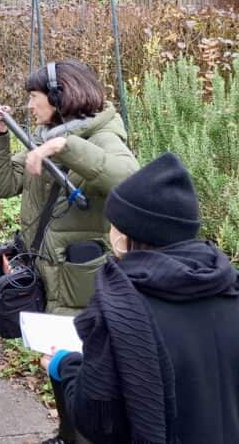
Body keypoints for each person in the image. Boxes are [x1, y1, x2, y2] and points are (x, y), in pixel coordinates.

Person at [45, 153, 239, 444]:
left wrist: (65, 364)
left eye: (115, 223)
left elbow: (97, 419)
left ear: (129, 234)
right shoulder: (230, 286)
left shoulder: (122, 308)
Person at [0, 60, 139, 315]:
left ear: (58, 96)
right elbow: (3, 184)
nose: (30, 105)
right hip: (45, 276)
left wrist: (66, 147)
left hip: (79, 290)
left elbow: (130, 180)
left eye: (34, 97)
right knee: (51, 355)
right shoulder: (46, 136)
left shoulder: (103, 137)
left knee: (76, 353)